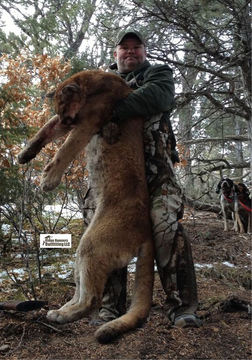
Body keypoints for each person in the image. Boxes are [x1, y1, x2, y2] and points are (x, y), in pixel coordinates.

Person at [83, 29, 202, 328]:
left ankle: (181, 307)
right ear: (115, 53)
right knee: (100, 231)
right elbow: (73, 112)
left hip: (156, 175)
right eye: (125, 48)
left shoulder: (158, 74)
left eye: (137, 47)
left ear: (145, 52)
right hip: (112, 181)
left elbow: (158, 97)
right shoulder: (96, 83)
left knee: (165, 225)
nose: (131, 52)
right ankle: (108, 308)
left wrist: (108, 110)